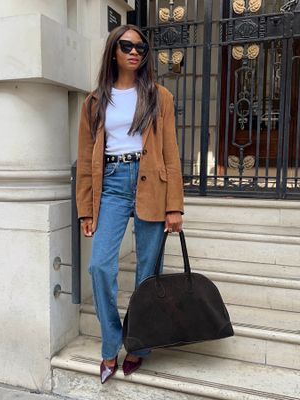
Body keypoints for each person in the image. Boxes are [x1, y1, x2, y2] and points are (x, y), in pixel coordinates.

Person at [76, 24, 184, 384]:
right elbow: (85, 156)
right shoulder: (94, 101)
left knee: (146, 274)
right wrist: (86, 209)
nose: (134, 52)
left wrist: (175, 206)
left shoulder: (158, 96)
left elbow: (170, 152)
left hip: (152, 181)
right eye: (126, 46)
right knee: (100, 268)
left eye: (141, 47)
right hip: (110, 185)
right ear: (113, 51)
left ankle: (138, 344)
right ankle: (110, 344)